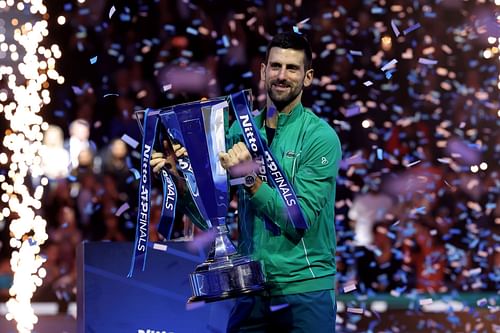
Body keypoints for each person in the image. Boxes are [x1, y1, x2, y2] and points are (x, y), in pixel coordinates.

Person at [151, 31, 341, 332]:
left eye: (292, 68)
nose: (282, 76)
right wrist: (180, 181)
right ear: (263, 71)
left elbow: (299, 218)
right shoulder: (238, 132)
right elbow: (210, 216)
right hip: (251, 288)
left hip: (304, 290)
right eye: (275, 66)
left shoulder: (321, 137)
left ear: (308, 77)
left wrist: (250, 179)